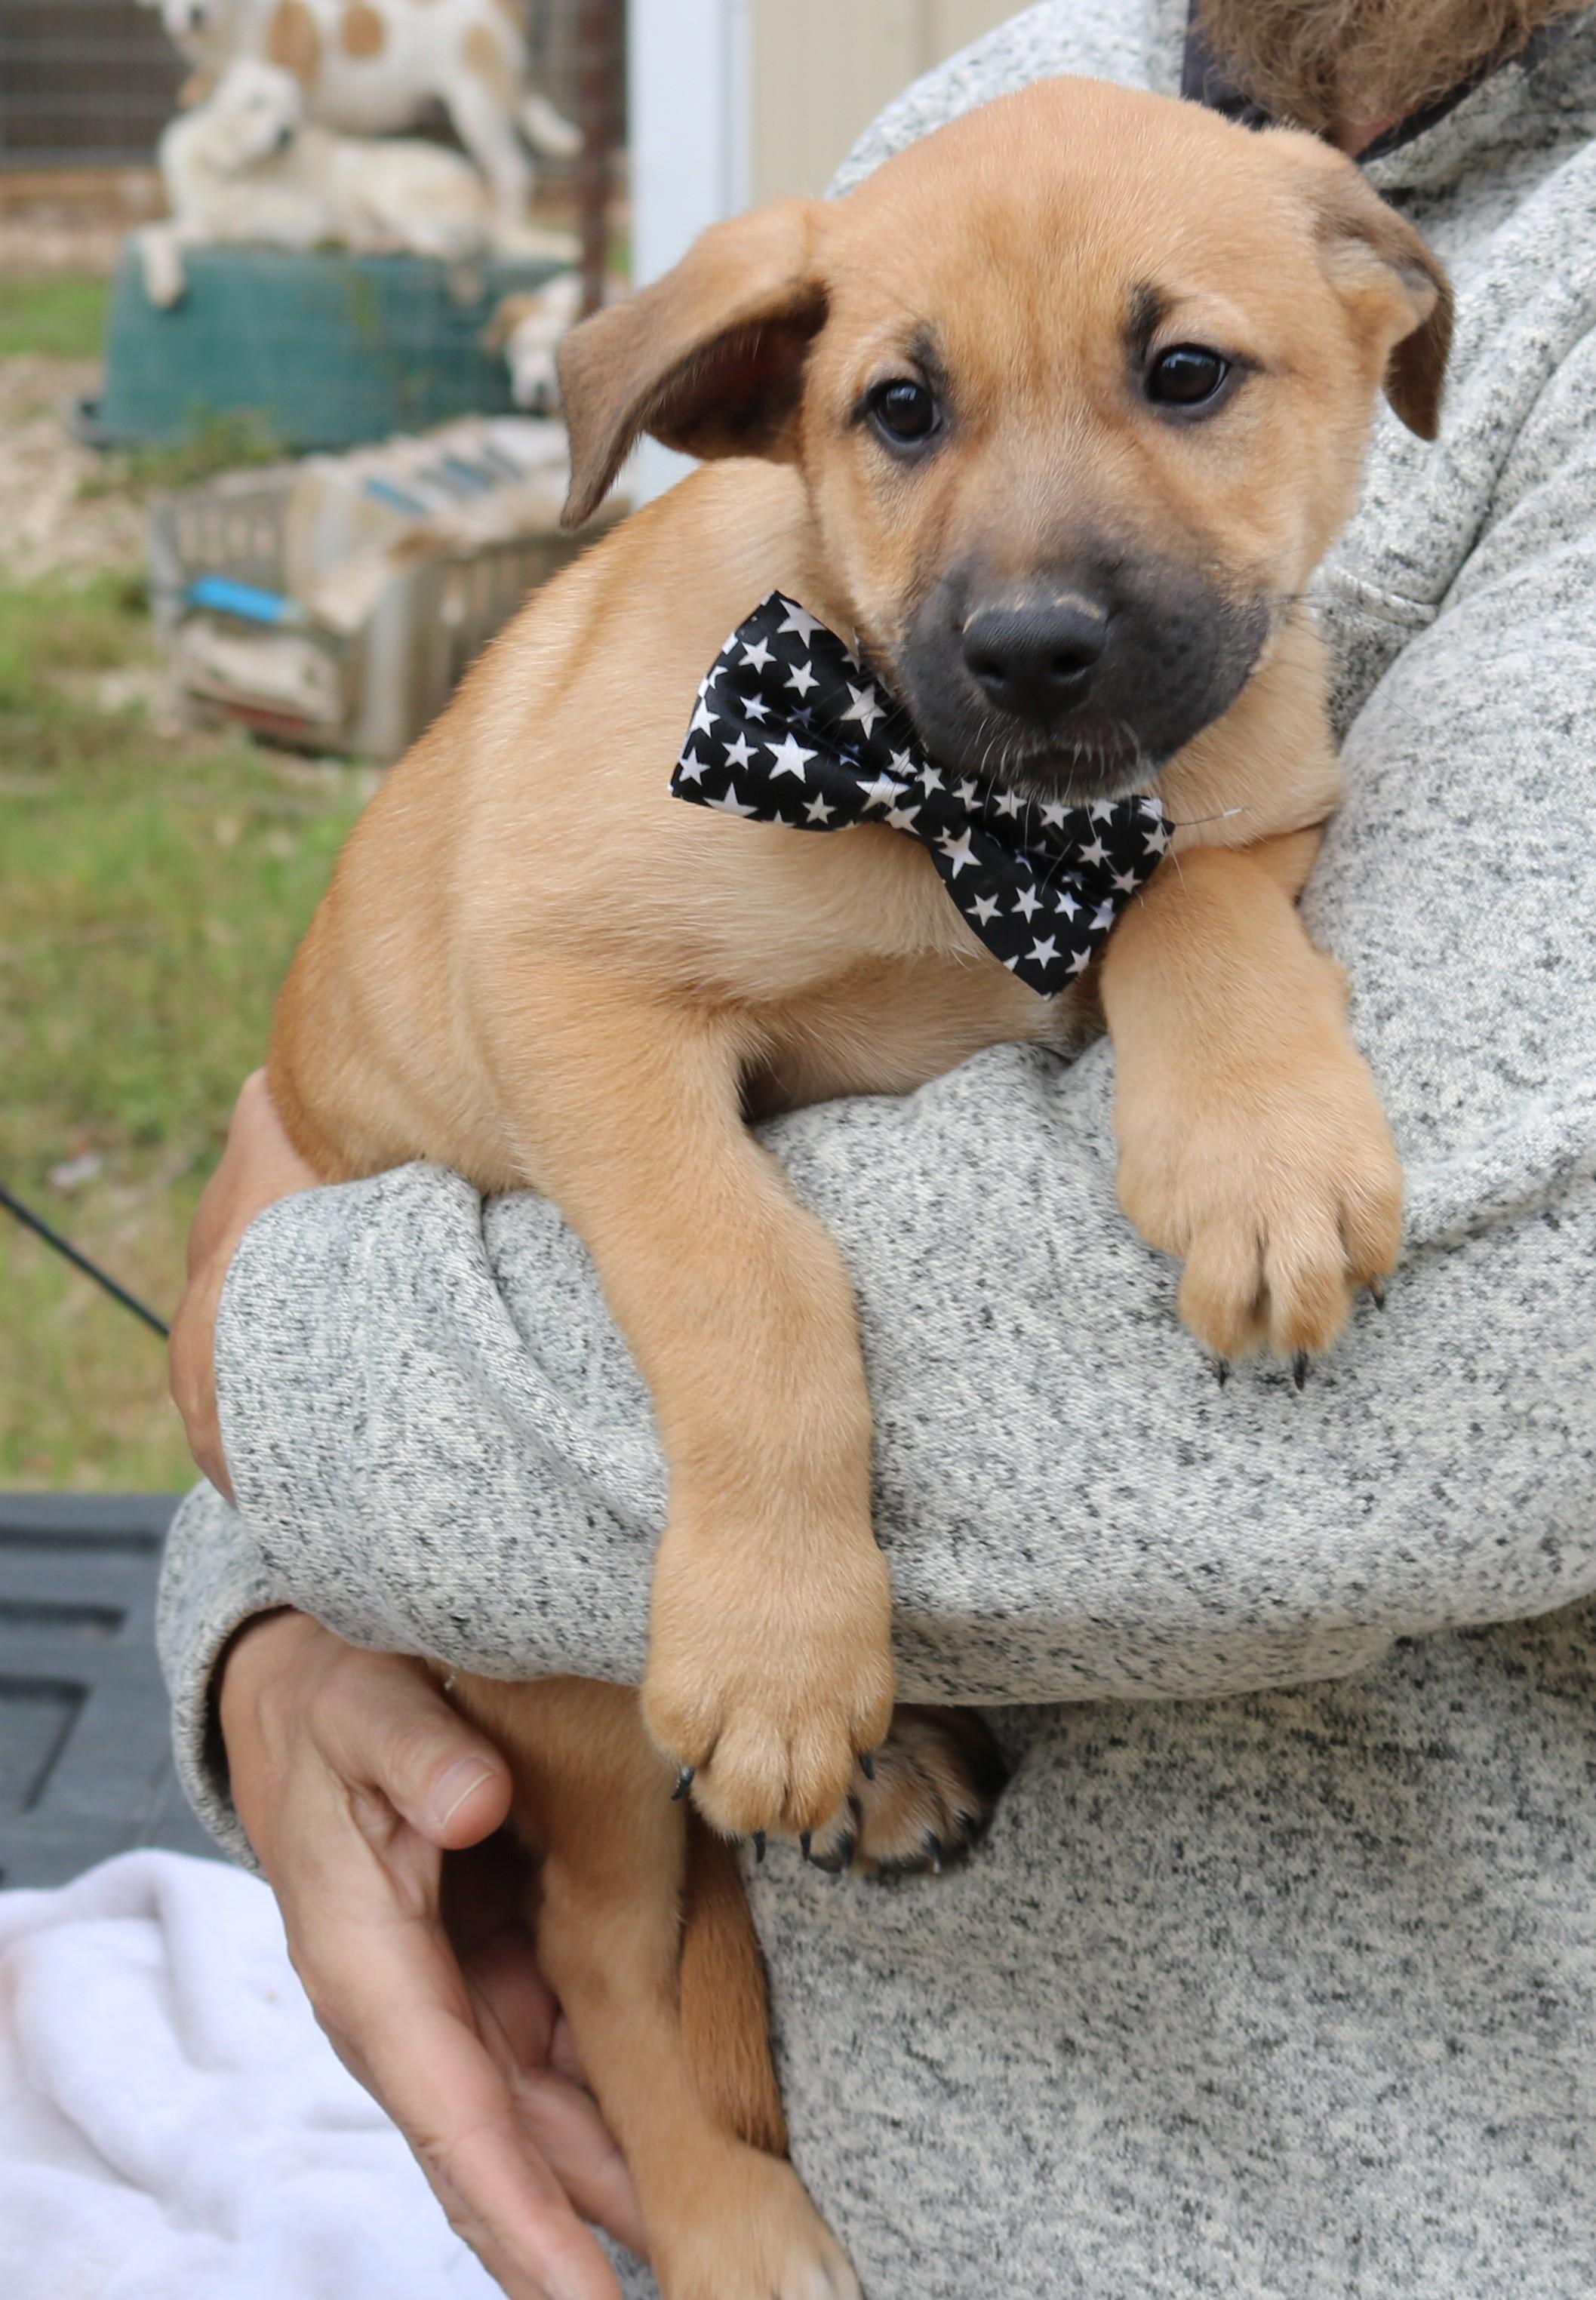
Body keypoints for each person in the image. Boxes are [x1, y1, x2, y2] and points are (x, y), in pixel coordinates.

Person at [162, 4, 1596, 2294]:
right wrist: (275, 1598)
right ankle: (668, 2090)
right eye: (907, 422)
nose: (1032, 589)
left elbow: (1491, 1368)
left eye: (1186, 381)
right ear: (752, 418)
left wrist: (1212, 957)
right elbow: (551, 976)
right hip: (514, 1212)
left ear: (1378, 333)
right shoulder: (981, 126)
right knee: (617, 1853)